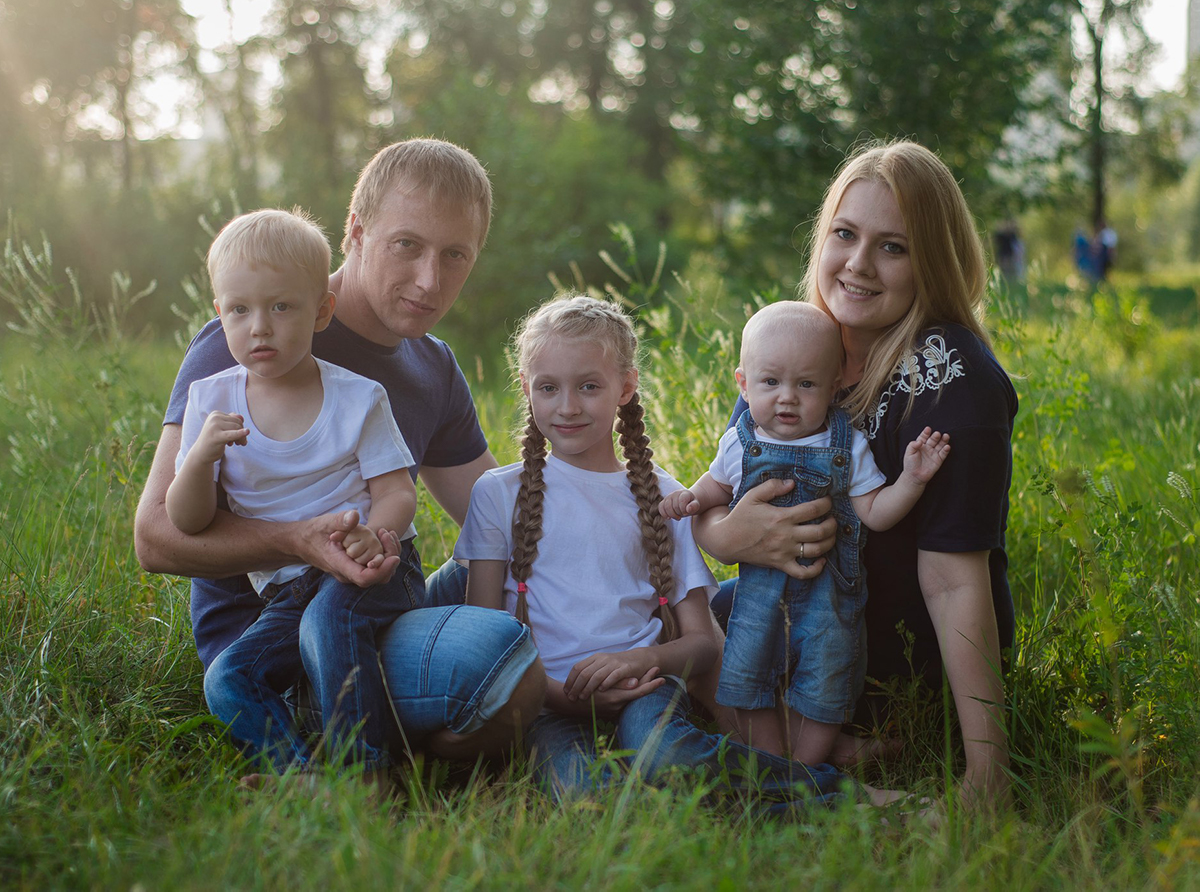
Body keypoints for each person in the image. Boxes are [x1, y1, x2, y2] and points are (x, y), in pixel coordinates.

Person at [135, 139, 545, 771]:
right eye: (407, 245)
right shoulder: (251, 340)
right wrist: (301, 540)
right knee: (498, 660)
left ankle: (412, 739)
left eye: (454, 255)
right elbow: (156, 539)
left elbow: (501, 518)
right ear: (356, 231)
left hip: (373, 601)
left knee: (502, 575)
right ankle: (373, 765)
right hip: (274, 641)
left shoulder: (432, 366)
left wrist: (647, 549)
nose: (429, 280)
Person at [457, 294, 903, 811]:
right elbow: (483, 642)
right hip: (544, 705)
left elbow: (702, 646)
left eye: (589, 386)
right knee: (584, 798)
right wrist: (555, 694)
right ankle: (774, 791)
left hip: (646, 688)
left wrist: (643, 660)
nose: (568, 406)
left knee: (668, 757)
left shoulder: (662, 497)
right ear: (526, 389)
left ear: (625, 387)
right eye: (548, 388)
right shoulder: (497, 494)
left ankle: (846, 798)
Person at [695, 140, 1018, 807]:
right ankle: (808, 758)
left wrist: (987, 773)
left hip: (893, 655)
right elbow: (721, 489)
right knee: (677, 625)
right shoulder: (795, 347)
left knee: (689, 702)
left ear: (934, 260)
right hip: (788, 615)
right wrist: (725, 539)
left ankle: (847, 794)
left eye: (893, 247)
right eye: (845, 234)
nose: (859, 265)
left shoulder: (954, 384)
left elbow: (957, 580)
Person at [166, 208, 420, 784]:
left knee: (327, 624)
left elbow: (399, 494)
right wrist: (201, 457)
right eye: (240, 309)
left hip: (377, 569)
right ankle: (298, 779)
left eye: (281, 306)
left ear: (321, 311)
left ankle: (366, 778)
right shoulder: (211, 401)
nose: (260, 326)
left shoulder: (359, 398)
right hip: (286, 590)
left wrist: (373, 538)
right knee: (228, 676)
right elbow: (188, 521)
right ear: (219, 315)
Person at [660, 300, 950, 766]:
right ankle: (780, 760)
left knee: (824, 678)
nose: (787, 397)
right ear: (743, 384)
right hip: (758, 600)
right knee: (747, 674)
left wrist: (911, 480)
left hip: (827, 603)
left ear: (834, 387)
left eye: (806, 384)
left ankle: (805, 763)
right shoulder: (740, 442)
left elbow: (875, 511)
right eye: (770, 382)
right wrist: (687, 500)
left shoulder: (846, 444)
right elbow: (711, 491)